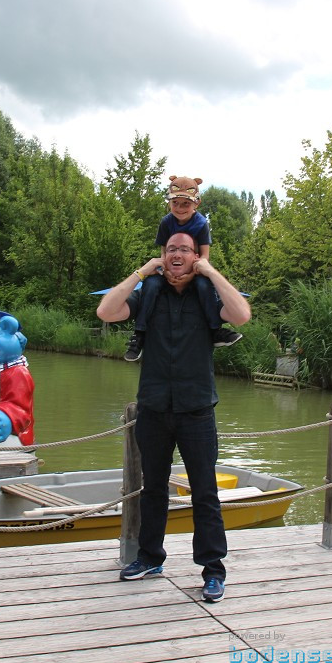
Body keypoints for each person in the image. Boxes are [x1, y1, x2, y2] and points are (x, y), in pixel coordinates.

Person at [96, 232, 251, 603]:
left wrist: (210, 272)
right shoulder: (149, 293)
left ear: (196, 256)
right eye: (170, 250)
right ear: (162, 256)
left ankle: (213, 570)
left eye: (184, 249)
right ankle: (150, 558)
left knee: (205, 493)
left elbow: (242, 315)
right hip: (153, 407)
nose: (176, 254)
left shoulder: (206, 294)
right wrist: (141, 271)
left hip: (196, 410)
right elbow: (106, 311)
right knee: (153, 489)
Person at [124, 175, 243, 362]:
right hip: (170, 268)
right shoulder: (166, 222)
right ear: (170, 203)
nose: (179, 209)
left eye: (185, 204)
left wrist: (189, 276)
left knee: (205, 285)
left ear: (196, 203)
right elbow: (164, 254)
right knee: (152, 284)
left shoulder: (201, 223)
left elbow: (204, 256)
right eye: (175, 203)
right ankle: (139, 334)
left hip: (194, 269)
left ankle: (215, 330)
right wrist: (168, 273)